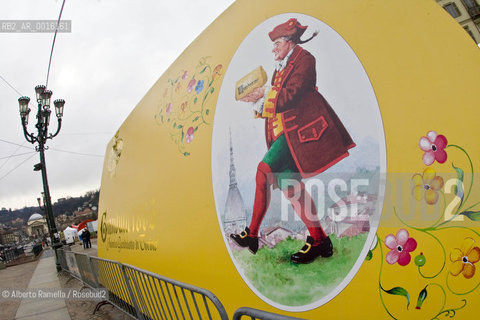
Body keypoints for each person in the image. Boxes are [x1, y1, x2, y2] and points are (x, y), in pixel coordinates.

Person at [231, 18, 355, 264]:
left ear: (289, 42)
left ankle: (252, 234)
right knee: (293, 191)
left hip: (297, 133)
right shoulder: (280, 66)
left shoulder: (305, 59)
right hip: (283, 134)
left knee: (262, 172)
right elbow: (275, 102)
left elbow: (289, 97)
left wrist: (262, 94)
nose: (274, 48)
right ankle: (320, 242)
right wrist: (258, 99)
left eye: (277, 43)